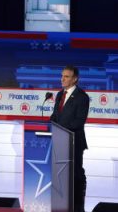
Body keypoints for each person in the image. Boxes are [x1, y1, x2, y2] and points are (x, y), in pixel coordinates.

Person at [50, 65, 89, 212]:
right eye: (62, 76)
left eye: (66, 76)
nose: (62, 79)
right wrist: (52, 123)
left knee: (75, 175)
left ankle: (77, 207)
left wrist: (61, 129)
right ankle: (61, 204)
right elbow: (55, 115)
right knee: (61, 176)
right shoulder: (60, 95)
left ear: (75, 79)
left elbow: (79, 121)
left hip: (74, 142)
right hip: (59, 142)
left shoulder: (82, 97)